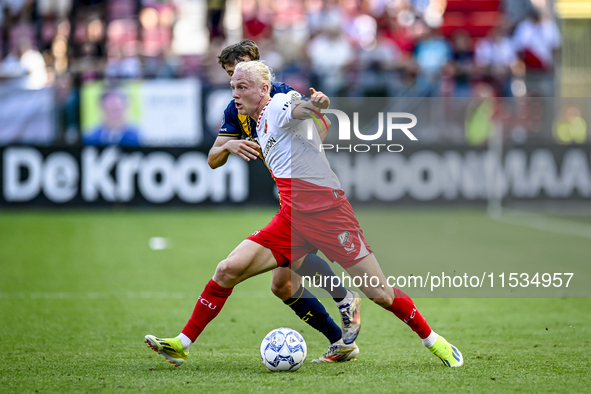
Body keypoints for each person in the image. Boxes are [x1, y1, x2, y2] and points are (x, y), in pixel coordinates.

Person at [145, 60, 464, 368]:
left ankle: (433, 340)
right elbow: (219, 154)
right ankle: (182, 345)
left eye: (242, 86)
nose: (235, 93)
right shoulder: (252, 120)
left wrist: (315, 105)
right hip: (292, 219)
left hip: (329, 214)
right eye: (232, 86)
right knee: (230, 269)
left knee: (379, 292)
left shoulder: (277, 105)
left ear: (263, 88)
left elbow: (297, 109)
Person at [146, 40, 362, 364]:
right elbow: (212, 158)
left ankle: (345, 303)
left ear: (259, 70)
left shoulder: (283, 95)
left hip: (309, 199)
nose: (236, 82)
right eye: (231, 76)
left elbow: (319, 125)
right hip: (288, 200)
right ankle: (341, 341)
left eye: (241, 73)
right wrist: (229, 147)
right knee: (281, 284)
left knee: (269, 269)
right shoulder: (235, 108)